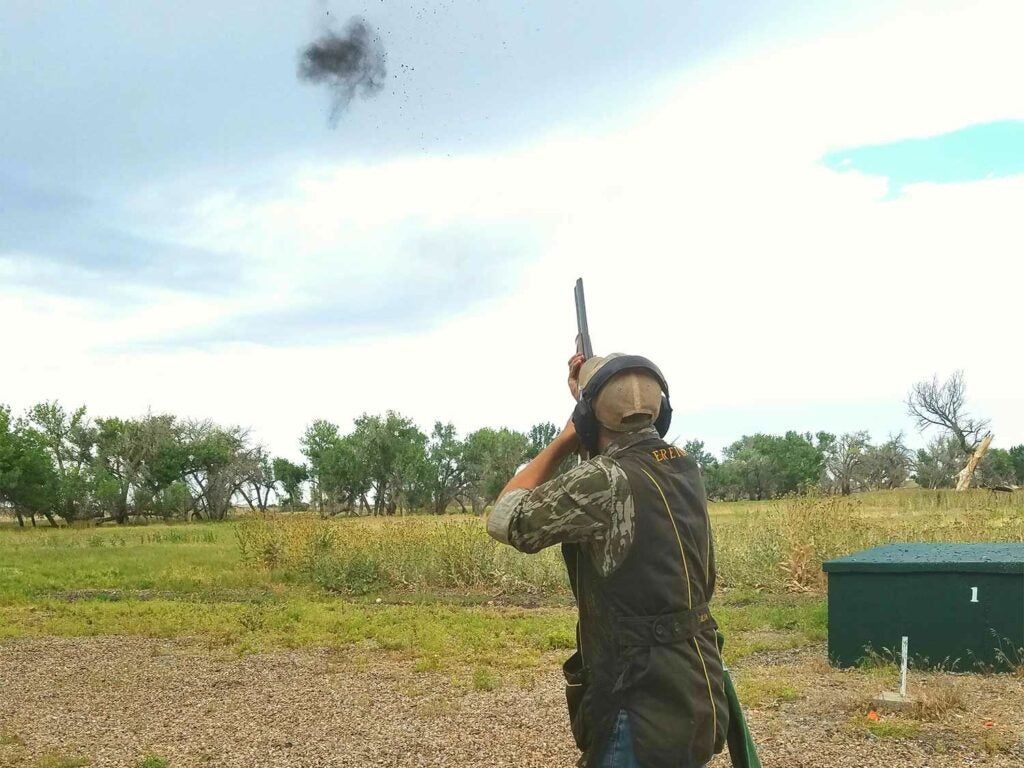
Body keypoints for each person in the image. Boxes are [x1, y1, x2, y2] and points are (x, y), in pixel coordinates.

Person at [486, 352, 728, 768]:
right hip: (695, 683)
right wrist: (585, 402)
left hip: (635, 699)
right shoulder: (684, 465)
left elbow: (506, 518)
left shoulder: (603, 480)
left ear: (588, 419)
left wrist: (565, 439)